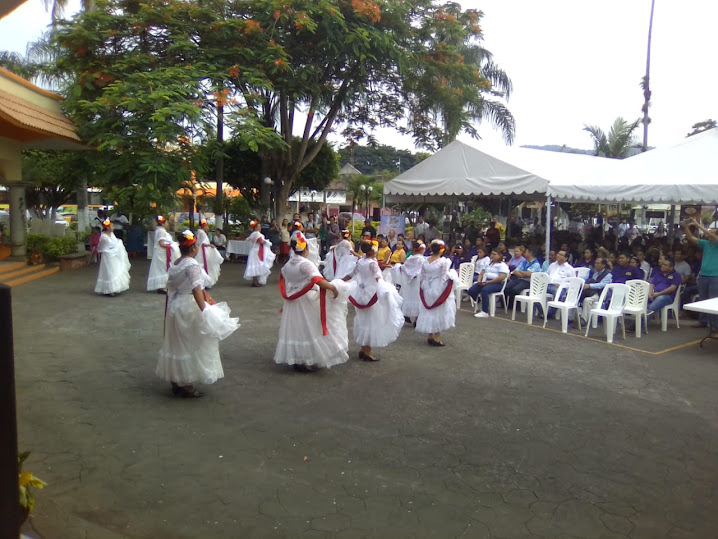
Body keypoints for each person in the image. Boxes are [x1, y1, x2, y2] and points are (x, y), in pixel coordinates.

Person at [155, 230, 239, 398]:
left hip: (175, 305)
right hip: (188, 306)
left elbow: (173, 286)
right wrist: (205, 310)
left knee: (177, 343)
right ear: (193, 247)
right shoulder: (191, 264)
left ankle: (177, 379)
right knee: (192, 343)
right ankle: (185, 383)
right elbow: (196, 289)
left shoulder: (176, 263)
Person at [274, 231, 350, 372]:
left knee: (297, 328)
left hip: (293, 300)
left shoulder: (287, 265)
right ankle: (305, 359)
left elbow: (284, 280)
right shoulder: (305, 264)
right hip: (306, 300)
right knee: (309, 328)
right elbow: (318, 280)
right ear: (306, 249)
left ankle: (297, 358)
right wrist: (333, 288)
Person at [348, 240, 404, 362]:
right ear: (373, 251)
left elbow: (351, 274)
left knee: (363, 319)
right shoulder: (372, 263)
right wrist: (386, 289)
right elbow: (378, 278)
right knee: (371, 320)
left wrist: (339, 281)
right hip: (371, 292)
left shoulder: (360, 261)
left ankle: (363, 348)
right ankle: (367, 351)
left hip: (360, 291)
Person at [416, 240, 457, 345]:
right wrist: (453, 275)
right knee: (439, 311)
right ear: (441, 250)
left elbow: (422, 276)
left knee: (428, 310)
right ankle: (436, 337)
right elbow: (444, 276)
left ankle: (430, 335)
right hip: (438, 287)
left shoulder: (425, 261)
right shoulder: (444, 261)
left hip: (426, 287)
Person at [682, 218, 718, 329]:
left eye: (712, 232)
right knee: (703, 299)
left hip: (715, 276)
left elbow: (710, 235)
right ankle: (702, 321)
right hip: (703, 276)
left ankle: (714, 324)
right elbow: (691, 238)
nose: (709, 233)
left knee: (712, 301)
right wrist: (686, 227)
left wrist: (697, 224)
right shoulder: (706, 244)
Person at [94, 218, 131, 296]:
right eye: (112, 226)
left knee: (115, 270)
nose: (113, 227)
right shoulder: (103, 237)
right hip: (108, 256)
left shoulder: (112, 234)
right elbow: (101, 246)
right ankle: (109, 289)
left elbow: (115, 242)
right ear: (107, 227)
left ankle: (115, 287)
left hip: (115, 256)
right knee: (109, 272)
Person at [392, 240, 425, 326]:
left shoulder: (410, 258)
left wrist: (399, 268)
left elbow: (404, 268)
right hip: (418, 280)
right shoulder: (421, 259)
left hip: (409, 281)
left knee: (409, 296)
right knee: (418, 298)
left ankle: (406, 314)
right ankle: (417, 319)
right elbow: (422, 270)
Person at [469, 249, 509, 318]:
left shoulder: (502, 265)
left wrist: (488, 282)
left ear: (499, 256)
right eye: (491, 254)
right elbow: (481, 273)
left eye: (494, 254)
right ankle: (479, 301)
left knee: (485, 290)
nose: (492, 256)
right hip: (485, 281)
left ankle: (485, 311)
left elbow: (501, 277)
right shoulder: (488, 263)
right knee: (471, 290)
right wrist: (479, 280)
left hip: (497, 283)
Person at [147, 215, 179, 293]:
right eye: (166, 222)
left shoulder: (159, 230)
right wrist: (171, 246)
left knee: (162, 269)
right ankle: (162, 286)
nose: (168, 224)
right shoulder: (161, 231)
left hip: (161, 252)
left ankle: (162, 286)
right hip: (161, 253)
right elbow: (161, 243)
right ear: (163, 223)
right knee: (163, 269)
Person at [244, 219, 276, 286]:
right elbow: (260, 241)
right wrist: (267, 242)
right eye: (259, 226)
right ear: (255, 228)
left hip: (254, 250)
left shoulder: (252, 234)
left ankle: (255, 281)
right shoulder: (257, 234)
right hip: (257, 251)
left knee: (255, 266)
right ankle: (255, 281)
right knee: (257, 266)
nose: (260, 228)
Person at [194, 219, 224, 287]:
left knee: (205, 265)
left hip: (203, 251)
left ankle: (204, 281)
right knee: (205, 265)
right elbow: (201, 243)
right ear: (204, 226)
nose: (208, 228)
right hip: (203, 251)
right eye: (207, 226)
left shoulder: (199, 232)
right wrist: (209, 245)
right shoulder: (201, 233)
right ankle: (204, 282)